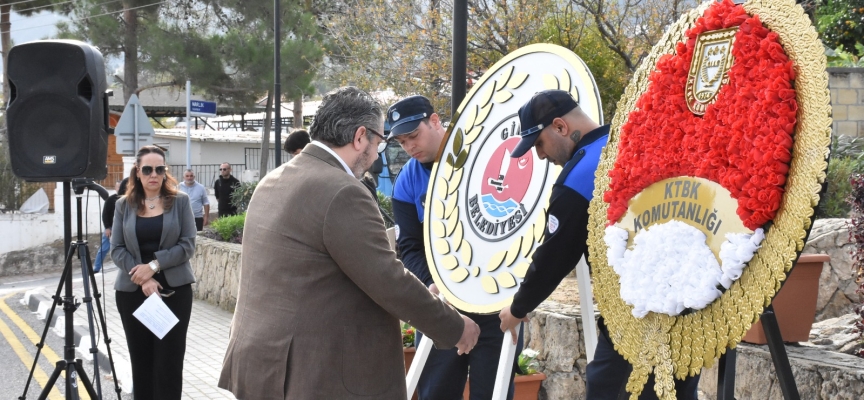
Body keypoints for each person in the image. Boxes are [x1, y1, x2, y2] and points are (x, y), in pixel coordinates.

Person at [218, 87, 480, 399]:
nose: (376, 155)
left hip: (261, 366)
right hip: (314, 375)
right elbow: (388, 280)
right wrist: (455, 327)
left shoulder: (273, 180)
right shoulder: (343, 191)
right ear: (359, 138)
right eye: (379, 143)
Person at [497, 90, 700, 399]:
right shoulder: (639, 140)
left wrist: (518, 307)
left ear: (560, 127)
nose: (540, 156)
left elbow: (556, 254)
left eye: (539, 143)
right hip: (692, 306)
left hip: (640, 318)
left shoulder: (581, 174)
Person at [387, 95, 523, 400]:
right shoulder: (406, 182)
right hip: (443, 308)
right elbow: (409, 246)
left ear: (435, 121)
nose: (409, 147)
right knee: (437, 391)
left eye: (414, 136)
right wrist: (434, 283)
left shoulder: (481, 158)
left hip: (494, 302)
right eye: (401, 141)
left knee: (495, 392)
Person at [110, 145, 197, 399]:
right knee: (142, 362)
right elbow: (116, 249)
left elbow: (188, 244)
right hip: (132, 293)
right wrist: (143, 278)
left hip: (174, 293)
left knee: (169, 363)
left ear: (165, 172)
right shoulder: (123, 205)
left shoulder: (180, 201)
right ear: (137, 172)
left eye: (160, 169)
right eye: (147, 169)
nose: (153, 175)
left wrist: (153, 267)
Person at [94, 178, 128, 273]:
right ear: (116, 188)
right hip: (111, 228)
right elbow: (105, 214)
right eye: (118, 187)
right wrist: (107, 228)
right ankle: (96, 268)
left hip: (124, 228)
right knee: (104, 249)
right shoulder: (111, 199)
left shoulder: (128, 199)